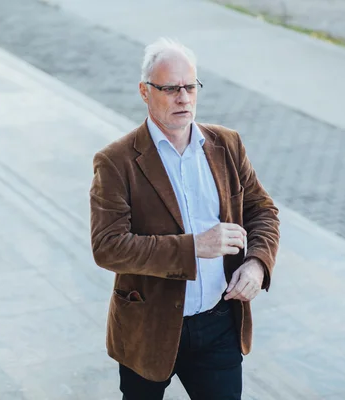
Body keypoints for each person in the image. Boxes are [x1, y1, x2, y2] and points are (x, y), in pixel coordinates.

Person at [89, 38, 280, 400]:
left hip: (219, 323)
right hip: (148, 328)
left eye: (190, 87)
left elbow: (263, 211)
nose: (184, 98)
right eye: (170, 88)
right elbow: (107, 247)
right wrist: (193, 248)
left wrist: (257, 264)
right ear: (145, 92)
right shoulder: (115, 161)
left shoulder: (228, 144)